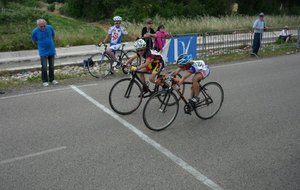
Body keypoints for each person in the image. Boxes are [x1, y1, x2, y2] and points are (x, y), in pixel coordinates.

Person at [32, 18, 58, 87]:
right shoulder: (35, 31)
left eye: (44, 26)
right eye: (41, 26)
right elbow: (34, 41)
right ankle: (45, 81)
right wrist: (40, 45)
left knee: (52, 66)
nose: (43, 27)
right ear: (38, 25)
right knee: (44, 67)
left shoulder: (50, 28)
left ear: (46, 24)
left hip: (51, 50)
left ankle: (52, 79)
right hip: (43, 51)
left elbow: (53, 35)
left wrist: (51, 43)